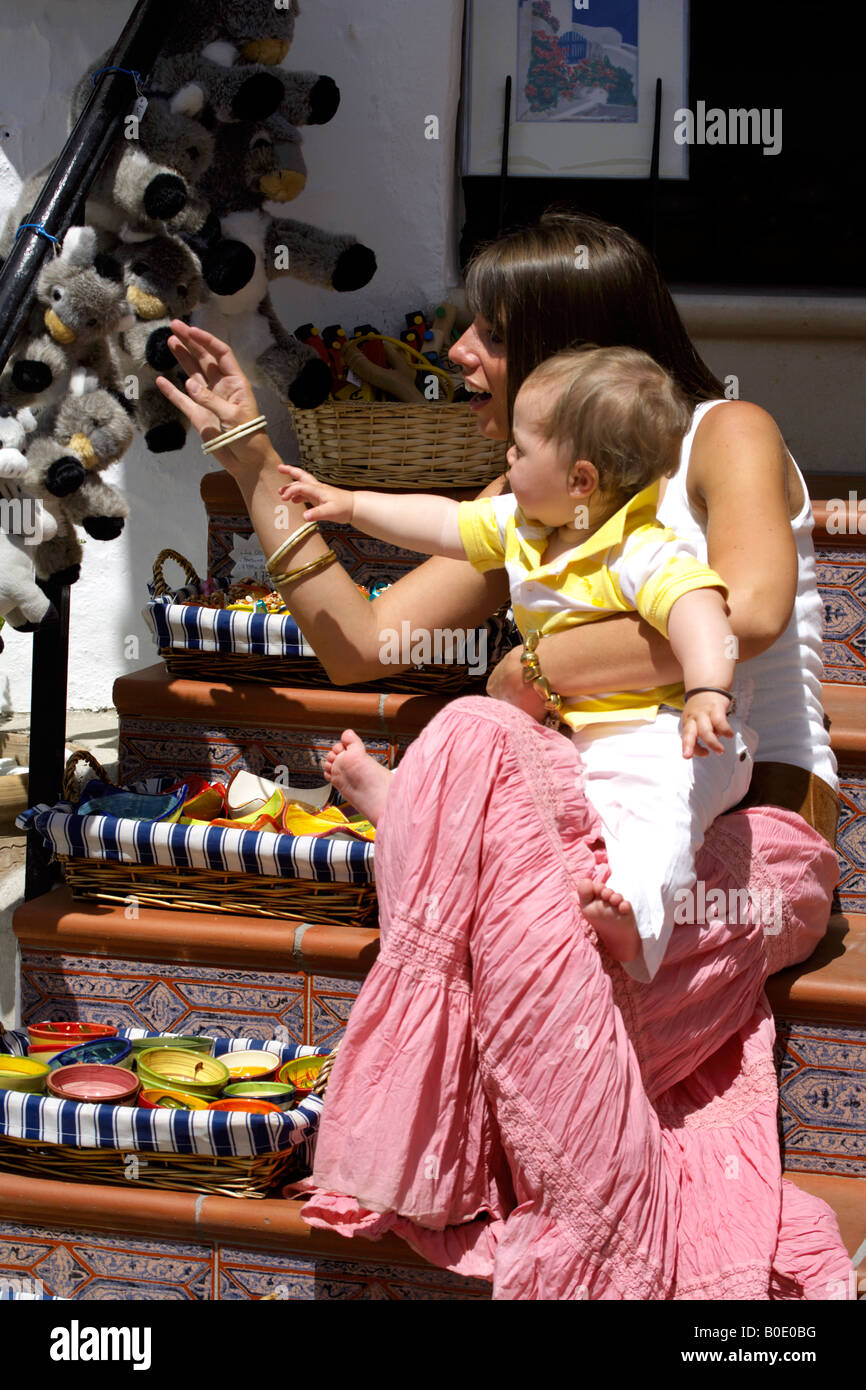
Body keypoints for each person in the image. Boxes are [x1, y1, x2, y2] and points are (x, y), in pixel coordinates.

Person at [156, 210, 851, 1299]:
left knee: (493, 773)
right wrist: (250, 455)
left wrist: (532, 665)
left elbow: (748, 611)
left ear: (571, 344)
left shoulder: (724, 434)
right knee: (476, 732)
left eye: (485, 334)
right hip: (582, 837)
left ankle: (578, 1245)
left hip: (745, 835)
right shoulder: (527, 497)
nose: (456, 357)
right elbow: (359, 644)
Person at [276, 344, 759, 981]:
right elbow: (443, 521)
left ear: (580, 481)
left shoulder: (641, 551)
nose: (508, 458)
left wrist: (706, 691)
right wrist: (351, 503)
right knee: (474, 729)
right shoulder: (527, 524)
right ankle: (413, 806)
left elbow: (701, 611)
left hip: (660, 736)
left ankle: (635, 921)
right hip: (567, 731)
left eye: (523, 450)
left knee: (652, 817)